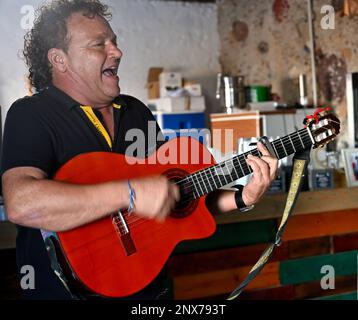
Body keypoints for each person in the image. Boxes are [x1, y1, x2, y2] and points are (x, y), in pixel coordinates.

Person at [0, 0, 278, 300]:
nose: (117, 51)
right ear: (60, 60)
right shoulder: (31, 114)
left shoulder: (135, 112)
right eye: (99, 44)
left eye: (114, 42)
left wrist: (243, 197)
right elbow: (21, 203)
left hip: (149, 293)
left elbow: (177, 200)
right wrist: (129, 193)